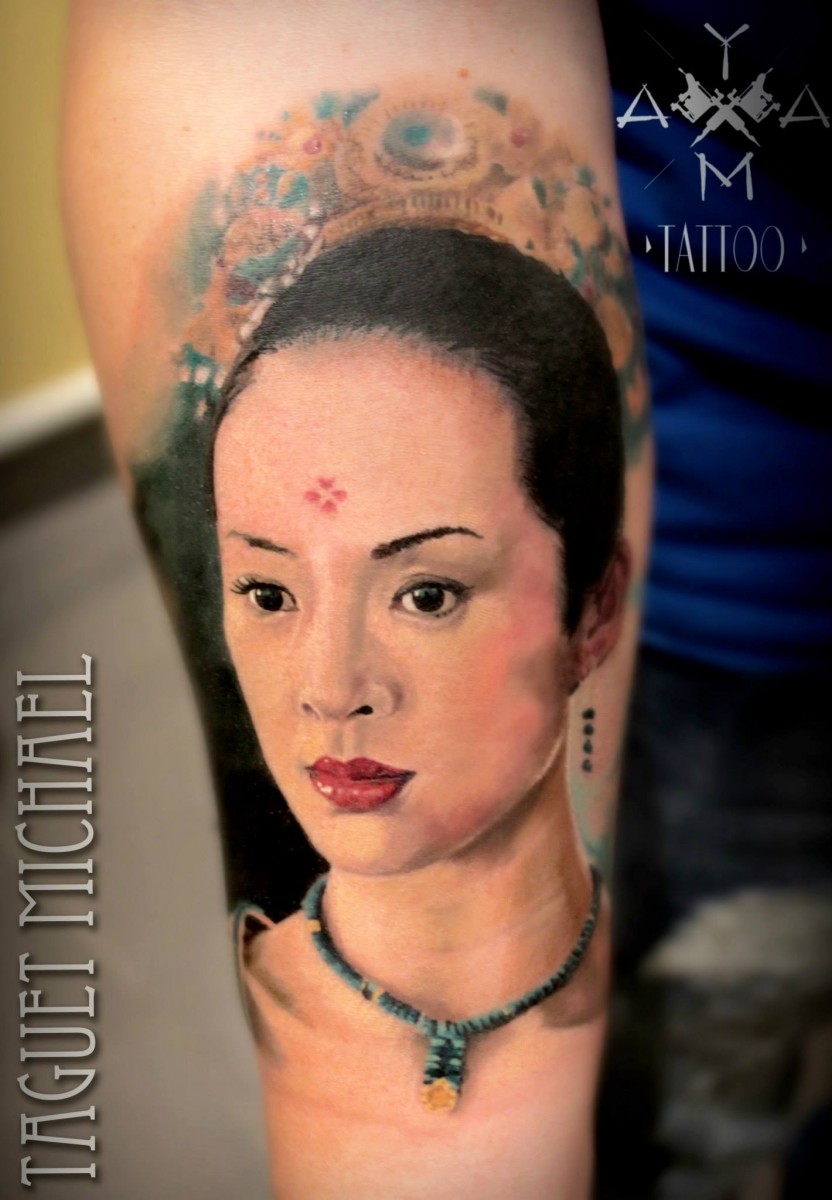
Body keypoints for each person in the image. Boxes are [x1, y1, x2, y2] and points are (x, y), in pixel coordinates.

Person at [212, 224, 629, 1196]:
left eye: (427, 594)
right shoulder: (133, 1044)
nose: (331, 687)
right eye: (269, 594)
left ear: (593, 610)